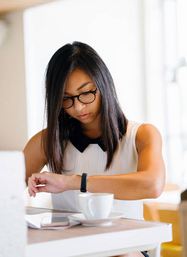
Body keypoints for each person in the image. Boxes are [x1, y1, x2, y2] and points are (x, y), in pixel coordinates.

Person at [24, 41, 165, 257]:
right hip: (70, 250)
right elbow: (0, 189)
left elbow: (152, 185)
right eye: (66, 99)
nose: (78, 106)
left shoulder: (142, 135)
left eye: (86, 93)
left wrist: (72, 182)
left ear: (104, 83)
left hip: (126, 250)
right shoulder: (48, 140)